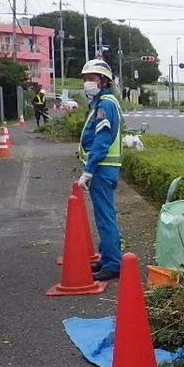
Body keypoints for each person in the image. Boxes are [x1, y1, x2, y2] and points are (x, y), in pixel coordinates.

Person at [76, 59, 123, 282]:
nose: (88, 83)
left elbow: (102, 140)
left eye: (92, 78)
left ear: (104, 81)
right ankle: (106, 259)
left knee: (105, 217)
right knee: (103, 215)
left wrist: (89, 170)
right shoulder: (102, 103)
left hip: (102, 169)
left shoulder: (105, 105)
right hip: (103, 169)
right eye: (86, 79)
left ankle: (113, 263)